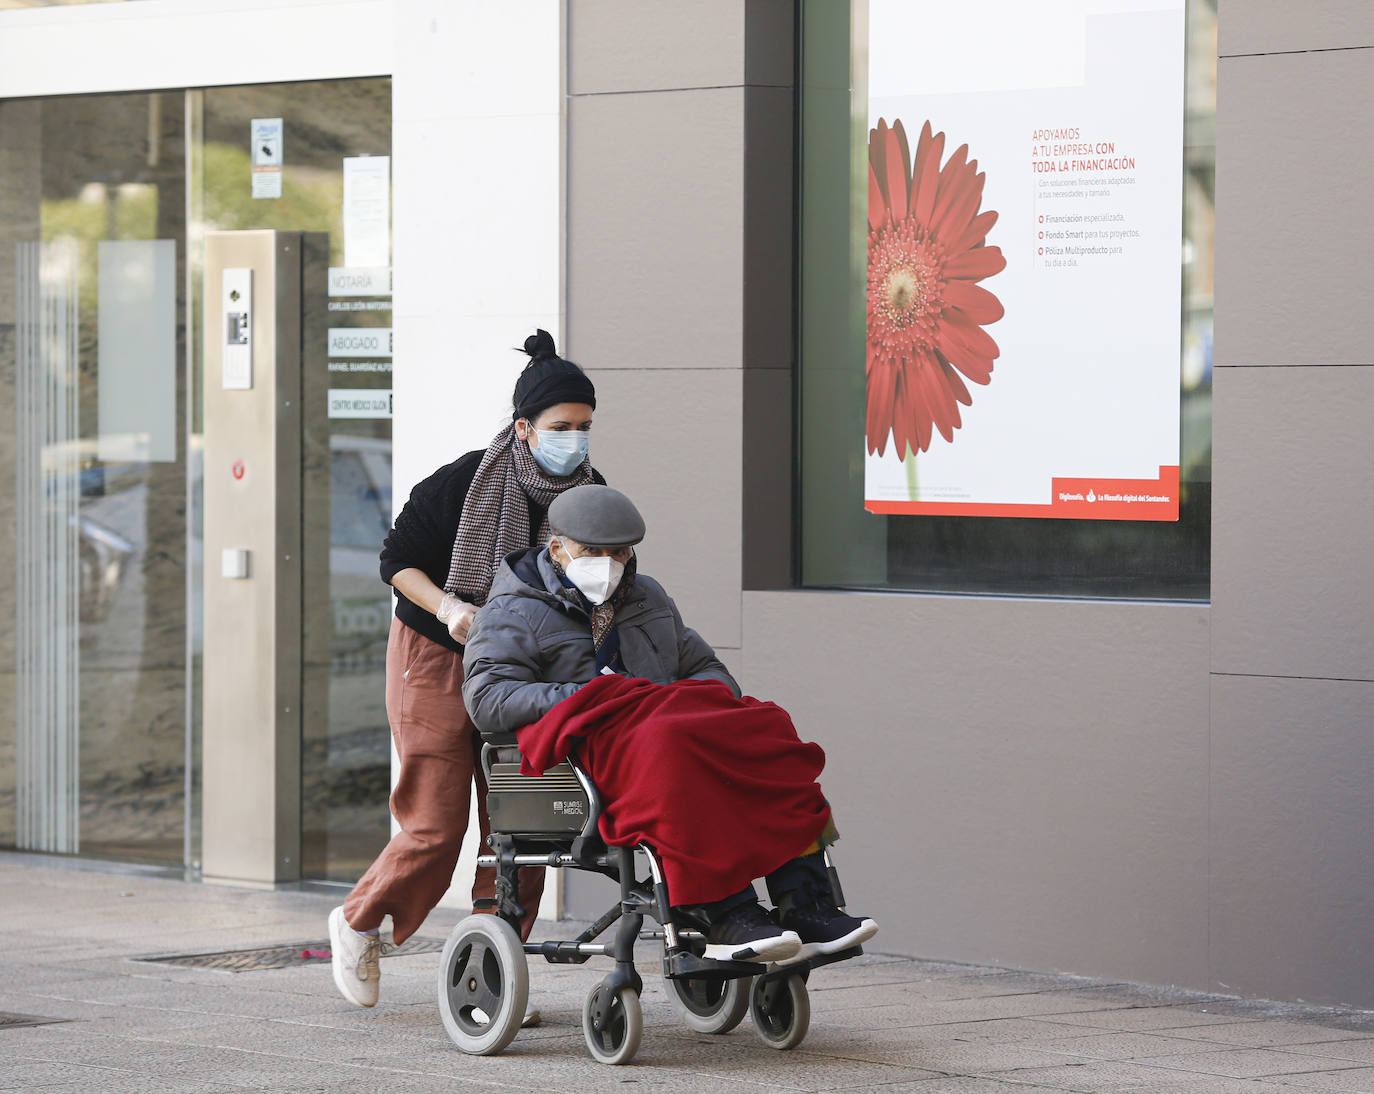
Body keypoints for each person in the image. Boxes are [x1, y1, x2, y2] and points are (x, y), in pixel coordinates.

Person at [462, 485, 878, 965]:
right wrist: (595, 697)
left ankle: (805, 899)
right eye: (591, 552)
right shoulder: (510, 611)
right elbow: (487, 700)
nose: (608, 562)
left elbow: (710, 671)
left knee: (767, 727)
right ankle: (723, 911)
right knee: (669, 741)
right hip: (588, 757)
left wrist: (676, 699)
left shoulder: (648, 597)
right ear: (557, 549)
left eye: (618, 552)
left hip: (663, 732)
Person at [328, 330, 603, 1013]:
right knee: (436, 824)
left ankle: (492, 970)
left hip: (529, 670)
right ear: (523, 428)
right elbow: (397, 560)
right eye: (560, 427)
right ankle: (359, 922)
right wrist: (452, 606)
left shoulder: (589, 495)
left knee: (528, 827)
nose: (574, 439)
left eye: (584, 428)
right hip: (439, 654)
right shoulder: (466, 481)